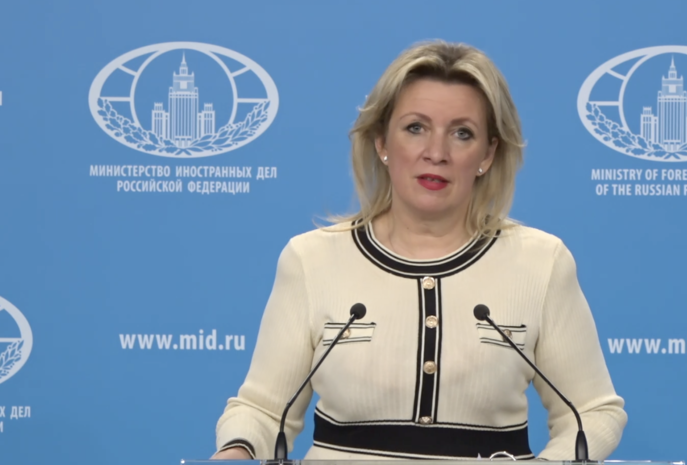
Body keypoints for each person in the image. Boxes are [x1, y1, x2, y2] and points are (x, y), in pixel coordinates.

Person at [211, 40, 627, 461]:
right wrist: (237, 449)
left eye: (462, 133)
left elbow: (593, 412)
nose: (436, 153)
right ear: (381, 141)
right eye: (415, 128)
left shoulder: (541, 263)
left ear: (487, 154)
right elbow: (263, 411)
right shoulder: (311, 260)